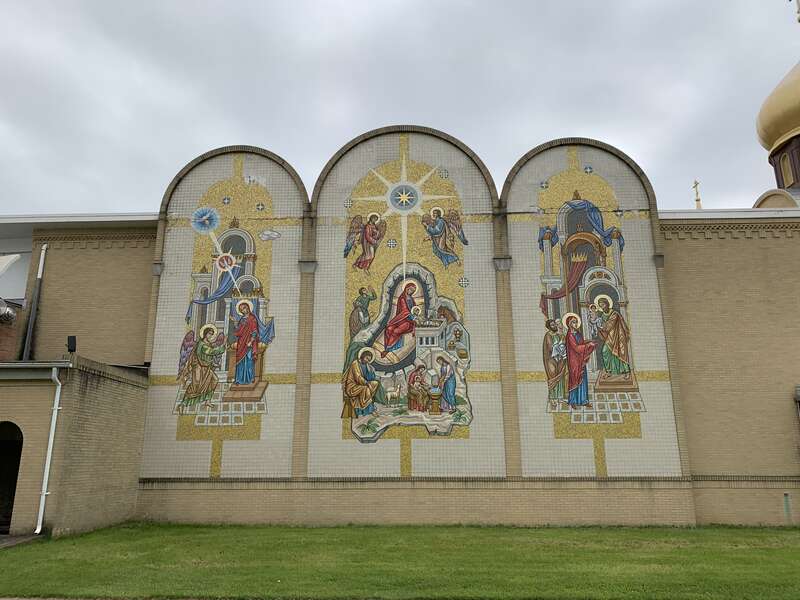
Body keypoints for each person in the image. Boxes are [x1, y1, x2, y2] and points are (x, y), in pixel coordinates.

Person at [178, 325, 226, 411]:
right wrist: (223, 347)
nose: (210, 336)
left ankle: (207, 400)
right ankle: (183, 403)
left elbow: (211, 353)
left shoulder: (208, 344)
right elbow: (211, 352)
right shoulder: (202, 344)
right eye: (209, 334)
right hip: (199, 367)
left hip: (207, 368)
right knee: (195, 385)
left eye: (211, 334)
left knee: (214, 380)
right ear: (205, 334)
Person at [565, 314, 596, 408]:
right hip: (574, 361)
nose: (576, 324)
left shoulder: (578, 333)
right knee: (575, 379)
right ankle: (573, 401)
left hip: (580, 360)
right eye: (574, 322)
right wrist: (588, 345)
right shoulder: (570, 335)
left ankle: (584, 400)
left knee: (582, 378)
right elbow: (576, 348)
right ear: (570, 324)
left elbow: (581, 343)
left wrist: (588, 341)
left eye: (576, 322)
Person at [596, 296, 632, 378]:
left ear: (607, 304)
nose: (602, 307)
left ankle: (627, 372)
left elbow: (609, 325)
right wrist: (598, 326)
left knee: (621, 352)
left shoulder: (614, 314)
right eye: (600, 306)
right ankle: (609, 371)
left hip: (618, 336)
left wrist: (601, 326)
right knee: (605, 351)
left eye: (603, 305)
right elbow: (602, 326)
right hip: (609, 337)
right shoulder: (602, 315)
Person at [382, 282, 418, 357]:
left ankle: (387, 350)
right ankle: (391, 347)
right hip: (401, 318)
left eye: (413, 291)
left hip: (409, 321)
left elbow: (414, 309)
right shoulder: (402, 298)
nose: (411, 291)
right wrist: (409, 314)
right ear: (406, 288)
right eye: (410, 289)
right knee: (389, 328)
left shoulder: (411, 299)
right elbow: (403, 310)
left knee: (396, 331)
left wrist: (413, 316)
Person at [342, 349, 381, 418]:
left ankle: (368, 404)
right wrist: (366, 383)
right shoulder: (355, 363)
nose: (367, 361)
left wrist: (371, 371)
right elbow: (358, 377)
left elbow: (370, 377)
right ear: (362, 356)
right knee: (366, 389)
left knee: (375, 383)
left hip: (362, 384)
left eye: (369, 360)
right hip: (352, 386)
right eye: (366, 358)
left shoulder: (367, 365)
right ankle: (370, 409)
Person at [230, 300, 259, 385]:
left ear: (248, 308)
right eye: (241, 309)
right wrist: (235, 322)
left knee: (249, 360)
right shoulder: (242, 319)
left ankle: (249, 378)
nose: (243, 310)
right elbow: (238, 330)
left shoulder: (252, 318)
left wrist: (251, 341)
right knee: (240, 361)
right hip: (241, 342)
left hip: (248, 342)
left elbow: (254, 331)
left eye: (244, 308)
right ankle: (239, 379)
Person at [542, 319, 566, 404]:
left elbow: (562, 344)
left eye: (555, 324)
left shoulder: (558, 335)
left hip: (559, 358)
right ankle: (552, 398)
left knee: (560, 376)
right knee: (552, 376)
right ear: (549, 327)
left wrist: (562, 346)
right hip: (551, 360)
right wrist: (559, 346)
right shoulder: (548, 335)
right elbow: (550, 346)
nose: (555, 326)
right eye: (552, 325)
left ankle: (560, 397)